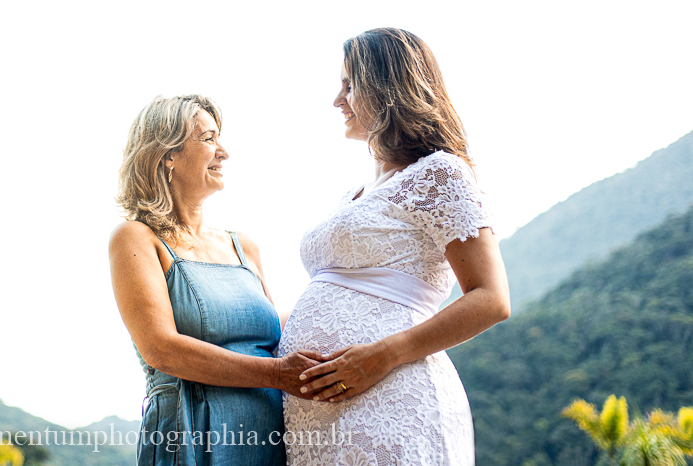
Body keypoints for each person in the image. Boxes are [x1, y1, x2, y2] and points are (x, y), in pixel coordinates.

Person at [278, 28, 511, 466]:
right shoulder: (353, 193)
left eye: (349, 85)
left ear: (387, 88)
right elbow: (341, 293)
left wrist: (382, 355)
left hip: (393, 398)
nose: (337, 99)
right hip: (319, 420)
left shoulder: (440, 173)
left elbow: (491, 299)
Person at [110, 94, 323, 466]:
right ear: (167, 155)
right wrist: (276, 374)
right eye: (209, 139)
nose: (223, 152)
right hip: (190, 439)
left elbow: (275, 339)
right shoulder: (135, 238)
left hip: (269, 441)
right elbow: (161, 349)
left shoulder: (245, 247)